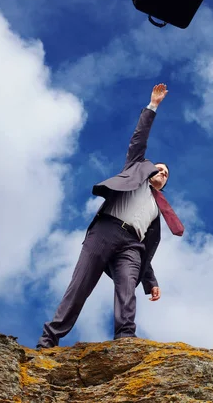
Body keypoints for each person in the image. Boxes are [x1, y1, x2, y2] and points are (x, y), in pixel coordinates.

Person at [37, 83, 184, 348]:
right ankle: (49, 338)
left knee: (127, 288)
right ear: (149, 171)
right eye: (159, 169)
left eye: (166, 174)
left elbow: (146, 252)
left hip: (132, 246)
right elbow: (139, 139)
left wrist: (151, 282)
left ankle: (125, 337)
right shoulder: (135, 174)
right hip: (106, 231)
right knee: (80, 285)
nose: (162, 173)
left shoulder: (157, 209)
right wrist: (153, 106)